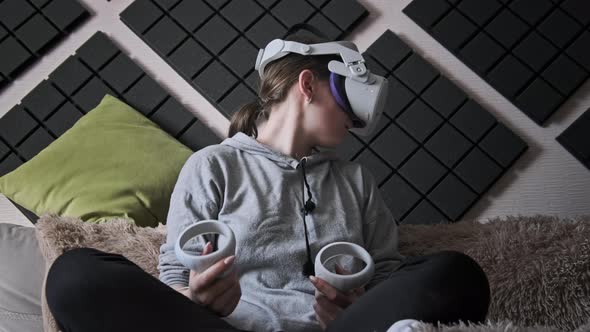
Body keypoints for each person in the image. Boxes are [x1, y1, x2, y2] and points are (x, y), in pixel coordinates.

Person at [45, 33, 491, 332]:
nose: (354, 122)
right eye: (347, 107)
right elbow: (175, 276)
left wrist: (354, 306)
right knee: (74, 277)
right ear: (308, 85)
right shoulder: (213, 166)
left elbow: (390, 280)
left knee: (456, 274)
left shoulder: (356, 181)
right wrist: (198, 299)